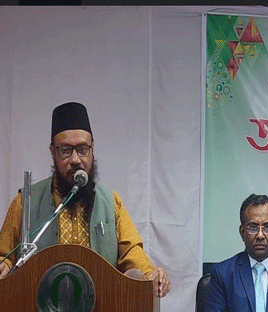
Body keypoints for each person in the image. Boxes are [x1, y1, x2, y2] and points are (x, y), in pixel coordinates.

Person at [0, 101, 170, 297]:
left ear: (92, 149)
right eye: (65, 150)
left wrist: (151, 275)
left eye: (82, 149)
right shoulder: (25, 202)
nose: (75, 160)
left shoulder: (111, 202)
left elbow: (131, 252)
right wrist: (5, 264)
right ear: (52, 152)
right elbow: (4, 255)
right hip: (40, 311)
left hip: (100, 309)